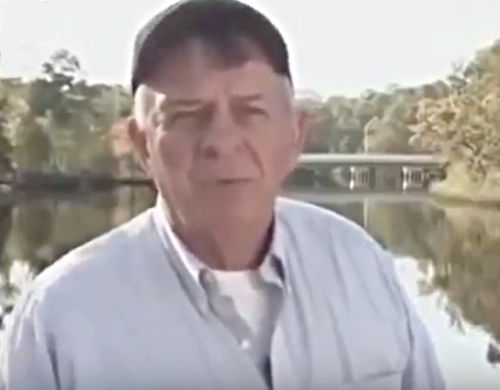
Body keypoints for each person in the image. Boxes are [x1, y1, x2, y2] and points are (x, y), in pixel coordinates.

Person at [0, 0, 446, 389]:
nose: (221, 141)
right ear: (142, 147)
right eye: (188, 116)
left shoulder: (359, 265)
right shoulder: (61, 315)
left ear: (295, 133)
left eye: (250, 111)